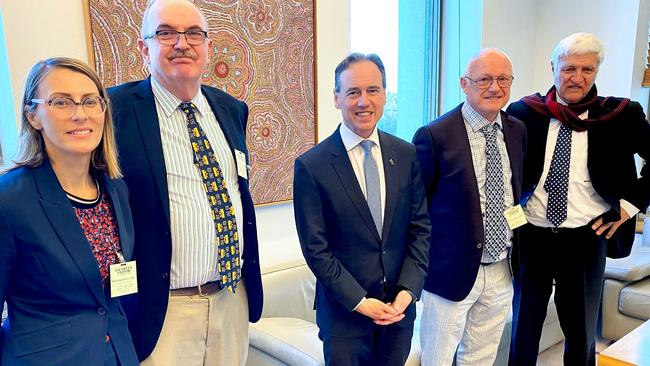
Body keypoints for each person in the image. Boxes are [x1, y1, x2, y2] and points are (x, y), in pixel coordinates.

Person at [107, 0, 263, 364]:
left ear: (209, 48)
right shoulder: (115, 111)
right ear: (144, 48)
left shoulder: (231, 109)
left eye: (194, 33)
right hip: (163, 309)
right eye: (166, 33)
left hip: (231, 298)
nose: (182, 43)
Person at [506, 32, 650, 366]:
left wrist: (628, 208)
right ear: (553, 68)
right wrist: (512, 221)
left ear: (597, 71)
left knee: (582, 332)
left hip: (587, 236)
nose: (577, 77)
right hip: (532, 235)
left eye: (587, 69)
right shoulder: (525, 112)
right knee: (523, 329)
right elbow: (506, 175)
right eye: (569, 68)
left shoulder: (621, 115)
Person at [293, 53, 431, 366]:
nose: (363, 101)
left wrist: (408, 292)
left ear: (384, 95)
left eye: (372, 90)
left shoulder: (406, 154)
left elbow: (420, 228)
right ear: (337, 98)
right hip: (345, 318)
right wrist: (360, 302)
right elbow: (317, 250)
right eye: (353, 92)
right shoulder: (312, 166)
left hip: (398, 312)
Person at [0, 57, 138, 365]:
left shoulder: (115, 189)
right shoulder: (9, 199)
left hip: (117, 354)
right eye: (61, 102)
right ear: (33, 116)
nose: (80, 114)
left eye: (90, 101)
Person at [412, 49, 526, 365]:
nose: (495, 87)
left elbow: (514, 194)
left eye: (503, 79)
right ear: (465, 83)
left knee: (481, 357)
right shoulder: (434, 135)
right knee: (437, 358)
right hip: (449, 272)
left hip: (502, 268)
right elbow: (416, 209)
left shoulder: (517, 130)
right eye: (484, 79)